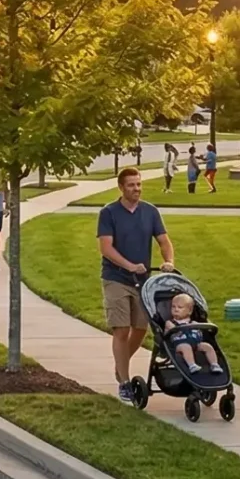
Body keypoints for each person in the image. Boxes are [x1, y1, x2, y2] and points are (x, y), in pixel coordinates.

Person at [95, 168, 173, 405]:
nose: (136, 189)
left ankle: (121, 365)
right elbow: (106, 248)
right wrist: (129, 266)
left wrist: (169, 261)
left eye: (138, 184)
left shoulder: (150, 211)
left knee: (140, 329)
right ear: (121, 187)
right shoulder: (109, 213)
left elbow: (164, 241)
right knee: (121, 329)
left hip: (143, 281)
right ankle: (125, 382)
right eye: (131, 185)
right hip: (116, 278)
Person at [163, 293, 221, 375]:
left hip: (195, 344)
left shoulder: (193, 322)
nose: (176, 309)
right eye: (173, 307)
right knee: (186, 347)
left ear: (190, 311)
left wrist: (199, 326)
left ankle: (214, 364)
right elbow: (167, 333)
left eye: (180, 307)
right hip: (178, 345)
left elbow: (203, 330)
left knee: (207, 346)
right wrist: (172, 328)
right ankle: (192, 365)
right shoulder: (170, 323)